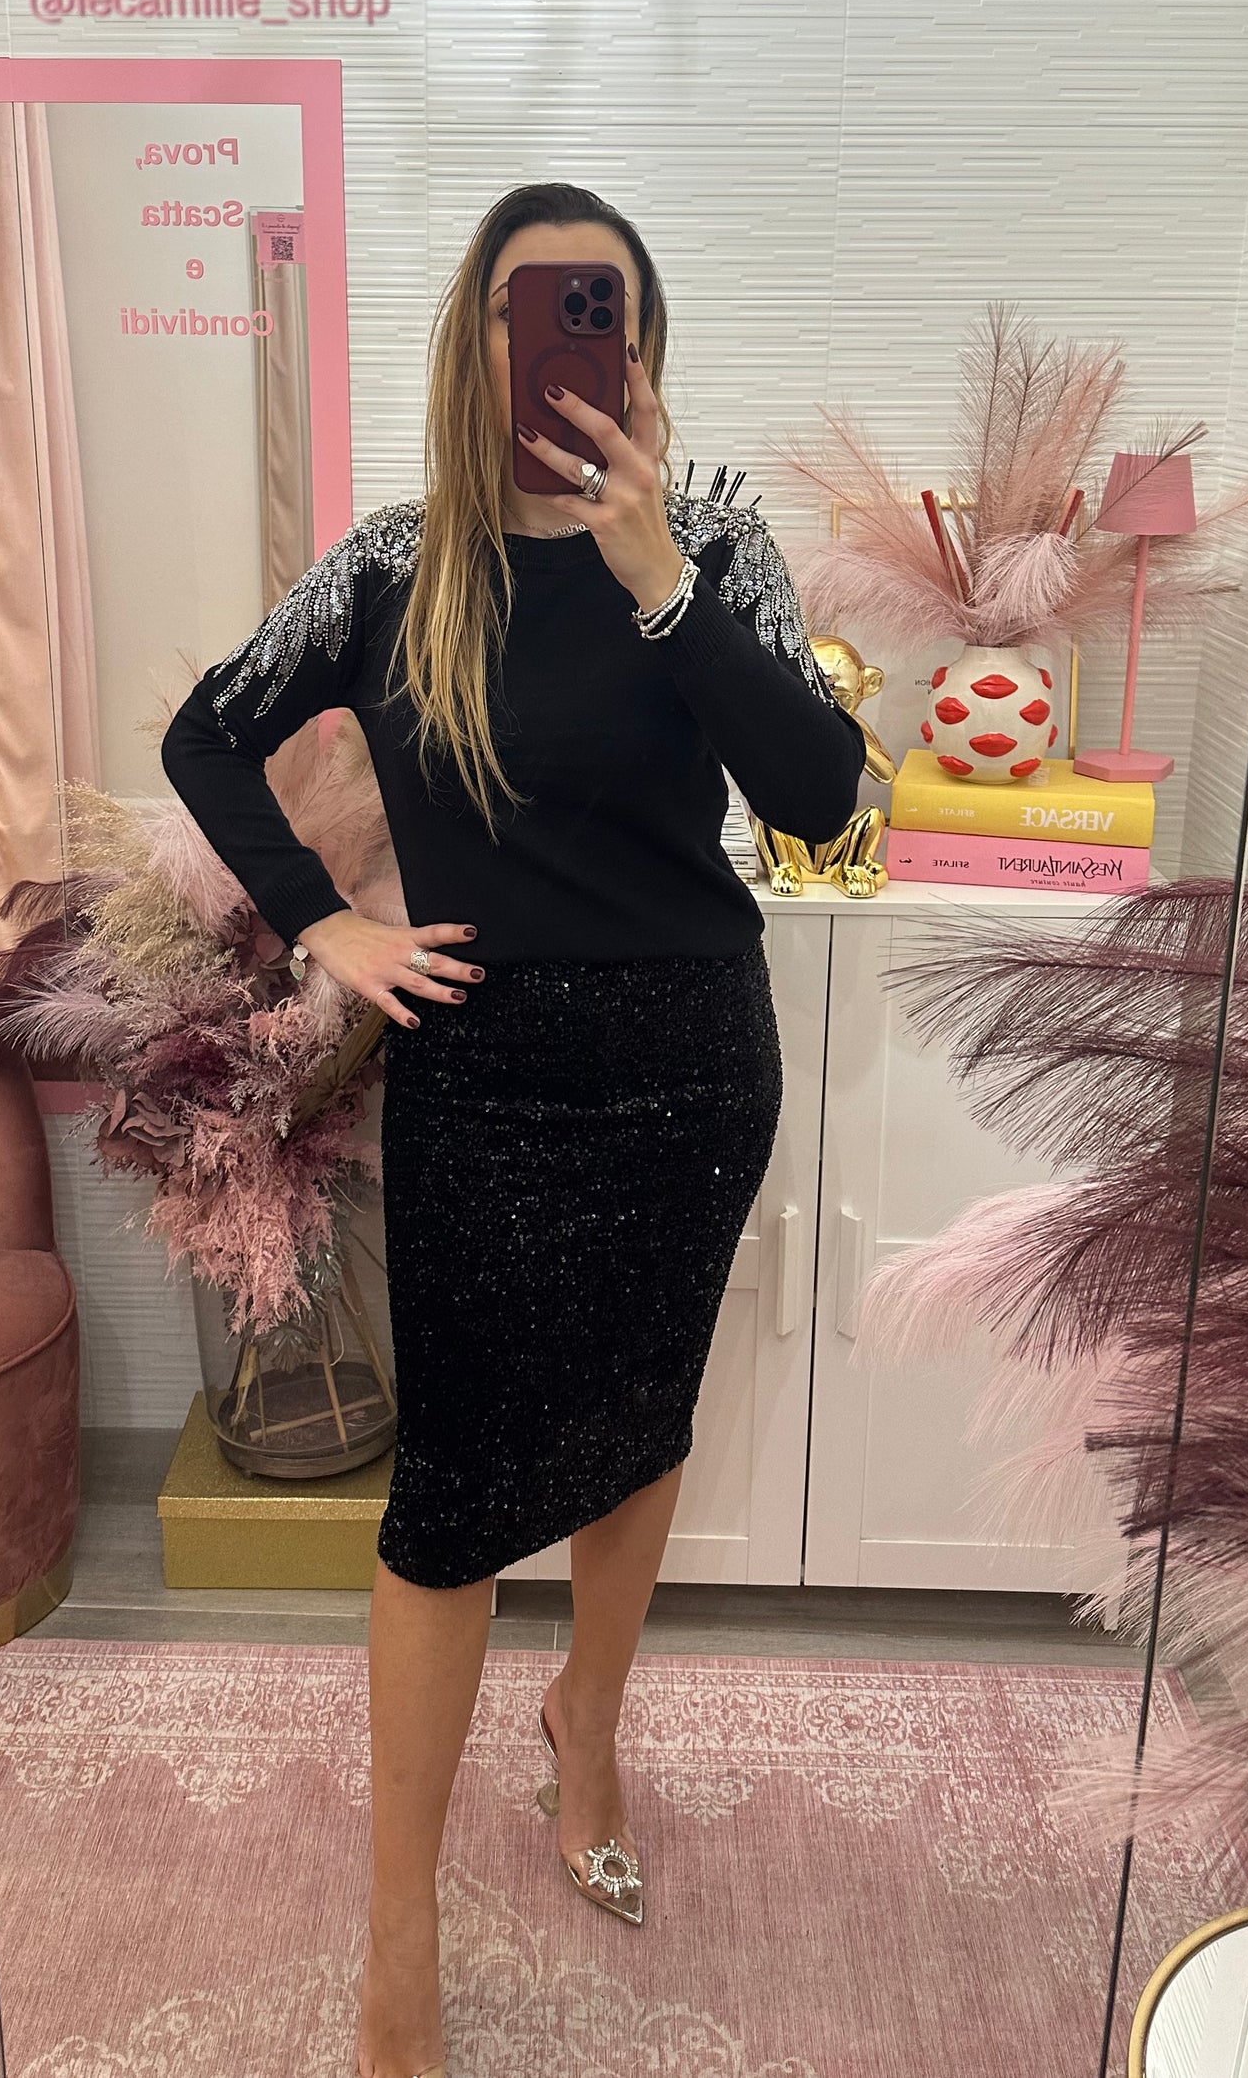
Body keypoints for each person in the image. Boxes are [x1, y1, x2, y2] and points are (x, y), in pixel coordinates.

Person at [161, 182, 867, 2078]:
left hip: (690, 1074)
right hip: (482, 1085)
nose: (559, 338)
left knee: (640, 1433)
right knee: (453, 1505)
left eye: (597, 306)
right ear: (473, 340)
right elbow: (206, 734)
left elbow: (820, 798)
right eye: (524, 306)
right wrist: (324, 925)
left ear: (640, 343)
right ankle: (398, 1928)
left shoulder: (710, 544)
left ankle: (589, 1733)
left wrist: (660, 580)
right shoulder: (395, 566)